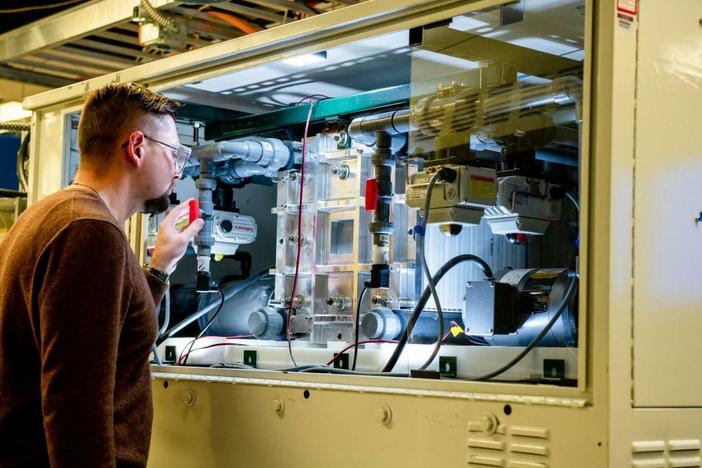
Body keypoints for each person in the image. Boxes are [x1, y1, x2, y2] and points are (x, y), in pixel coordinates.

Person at [0, 82, 203, 467]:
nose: (178, 171)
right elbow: (75, 401)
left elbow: (105, 334)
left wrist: (159, 269)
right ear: (137, 147)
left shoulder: (52, 216)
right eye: (175, 154)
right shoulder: (89, 231)